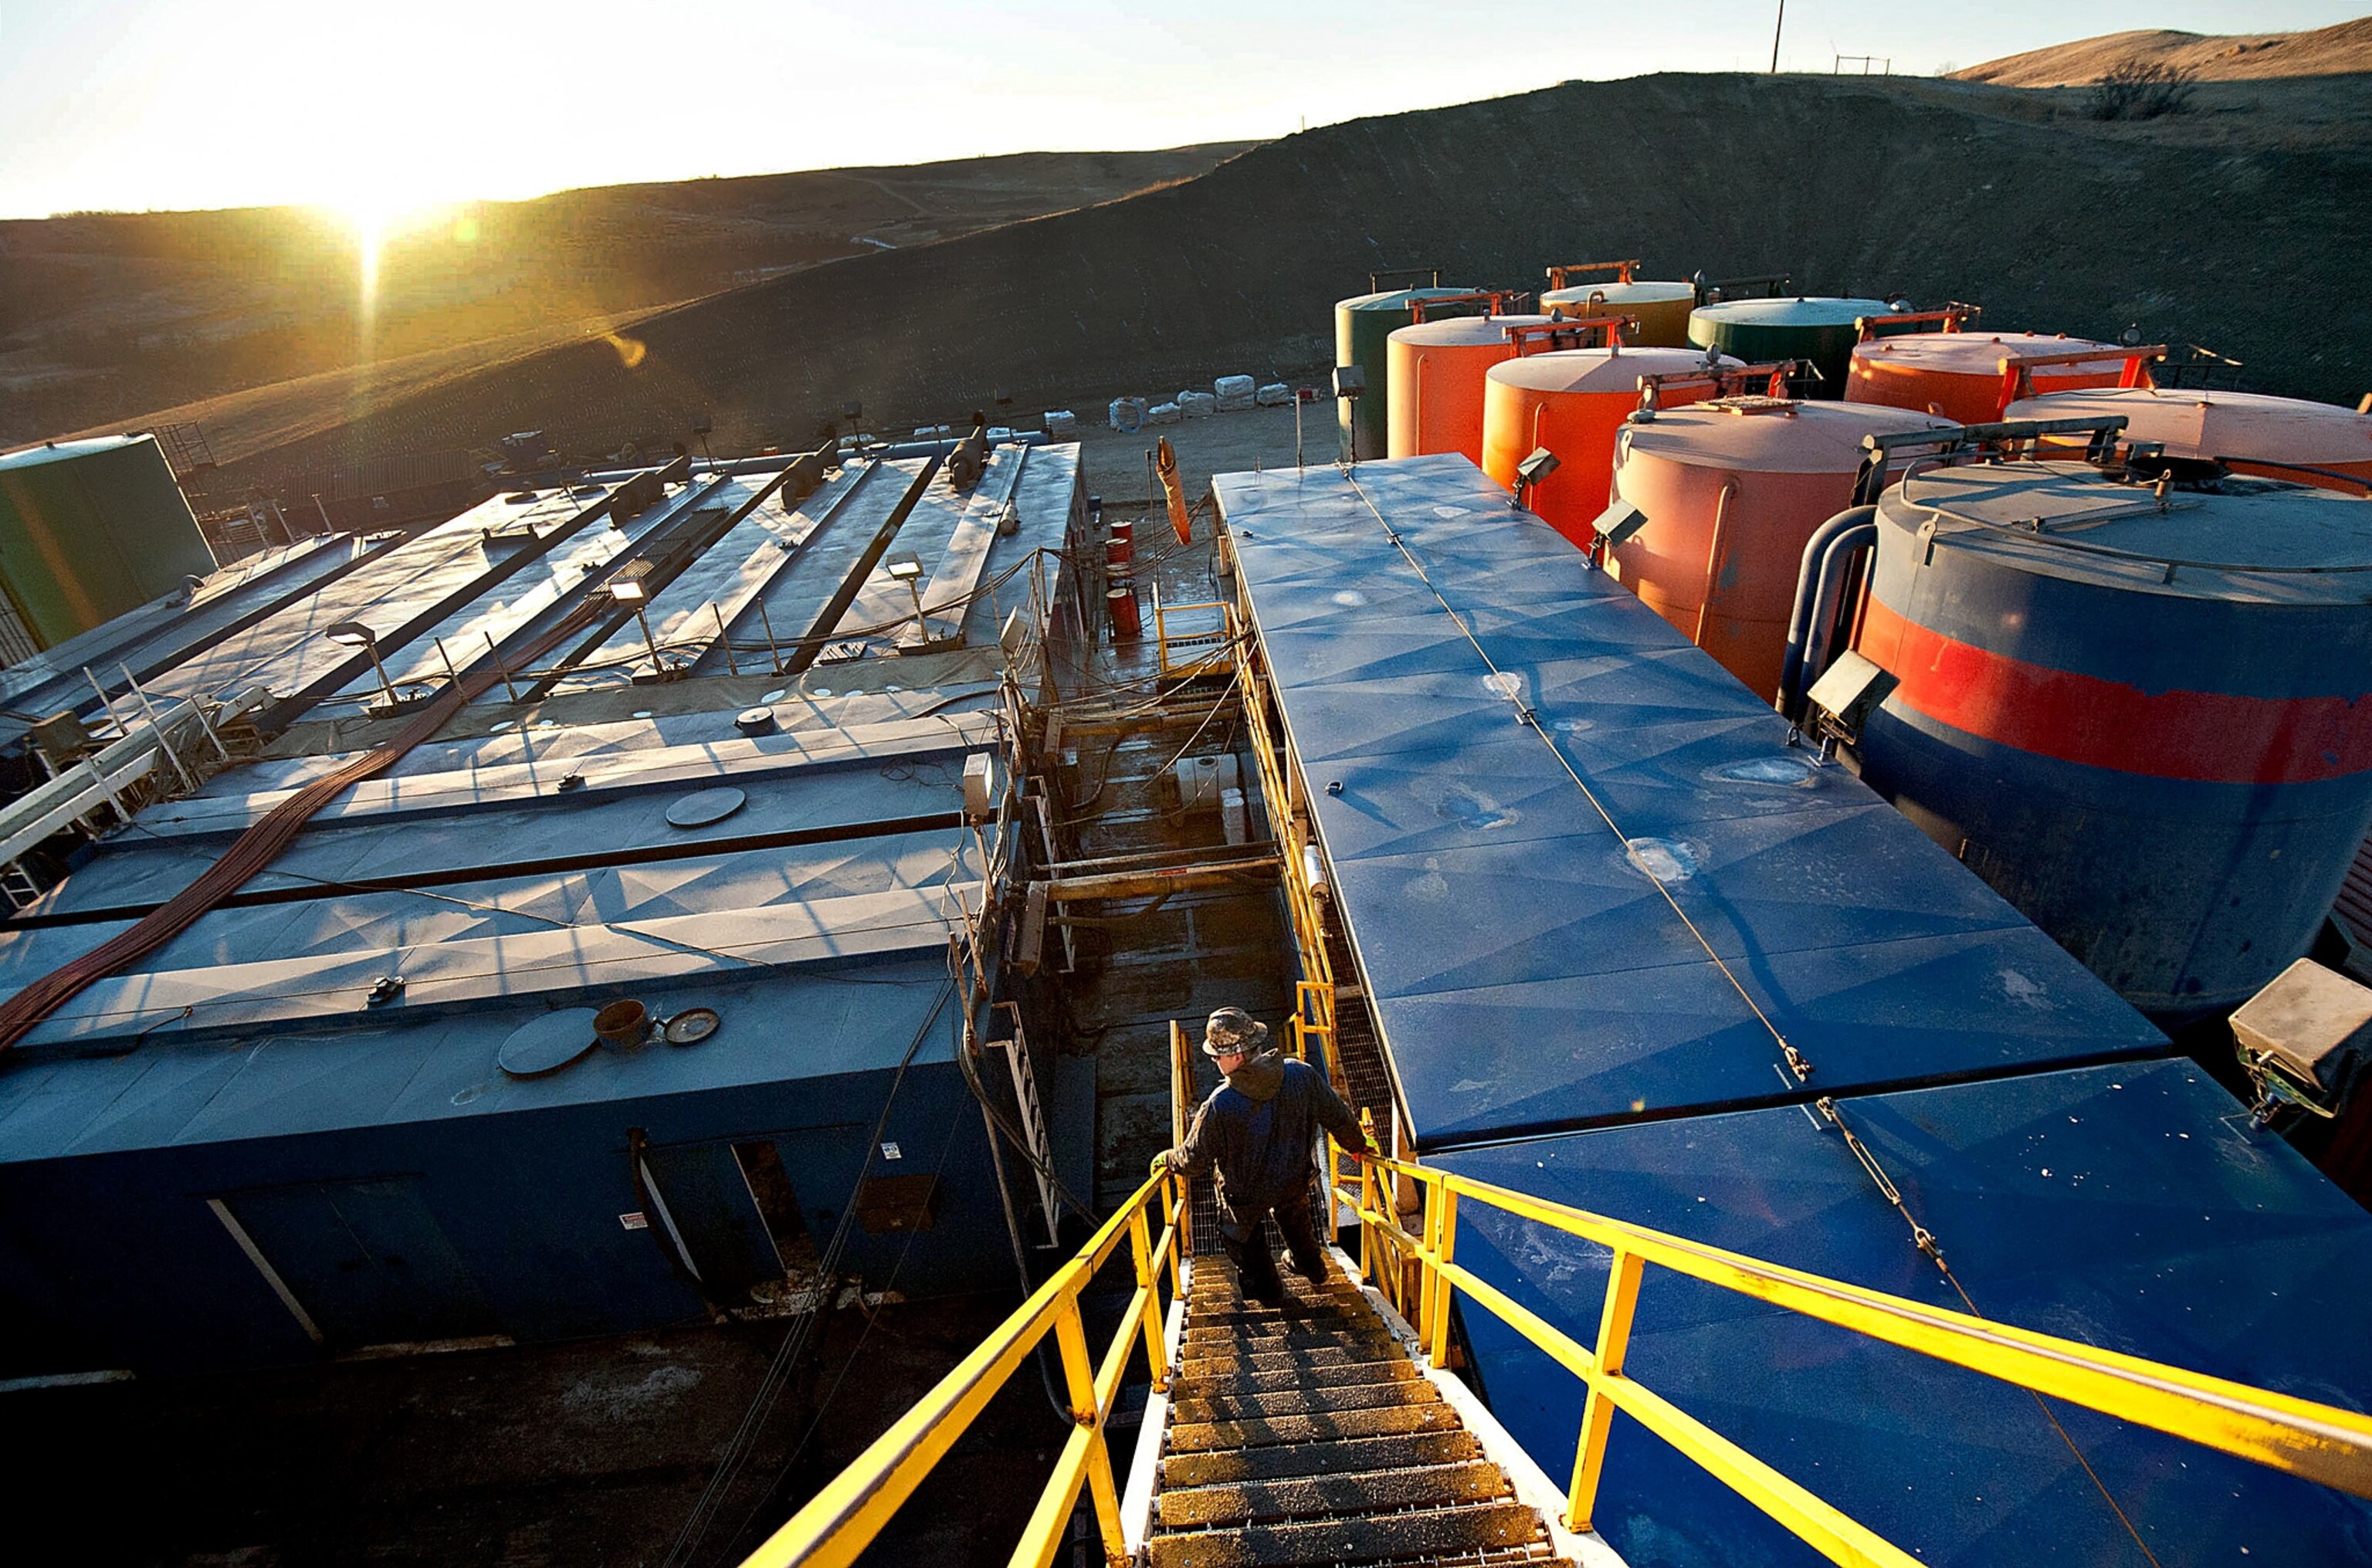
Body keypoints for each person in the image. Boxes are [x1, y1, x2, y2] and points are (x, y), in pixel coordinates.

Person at [1152, 1005, 1375, 1305]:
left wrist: (1167, 1159)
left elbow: (1194, 1160)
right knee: (1295, 1218)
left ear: (1238, 1056)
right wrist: (1358, 1146)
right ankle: (1313, 1268)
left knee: (1241, 1237)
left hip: (1244, 1195)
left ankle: (1271, 1294)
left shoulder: (1219, 1105)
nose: (1215, 1062)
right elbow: (1339, 1119)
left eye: (1217, 1056)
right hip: (1293, 1179)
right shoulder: (1302, 1074)